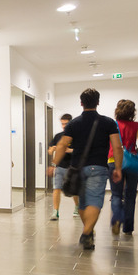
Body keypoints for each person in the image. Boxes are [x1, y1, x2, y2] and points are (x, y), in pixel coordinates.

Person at [49, 89, 123, 250]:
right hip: (99, 167)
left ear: (81, 103)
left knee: (83, 202)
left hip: (78, 168)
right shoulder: (109, 123)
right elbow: (117, 147)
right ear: (98, 102)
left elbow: (61, 145)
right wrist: (118, 168)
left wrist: (53, 164)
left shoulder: (74, 123)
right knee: (94, 201)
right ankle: (87, 233)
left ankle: (88, 232)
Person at [108, 99, 138, 235]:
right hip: (131, 163)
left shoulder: (113, 124)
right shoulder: (137, 126)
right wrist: (133, 150)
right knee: (130, 195)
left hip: (113, 160)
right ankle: (128, 228)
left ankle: (117, 219)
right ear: (132, 112)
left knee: (116, 194)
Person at [47, 113, 79, 220]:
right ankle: (55, 211)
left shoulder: (76, 136)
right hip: (60, 166)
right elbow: (50, 151)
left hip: (73, 167)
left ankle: (77, 206)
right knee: (56, 188)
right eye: (62, 124)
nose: (64, 126)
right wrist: (53, 149)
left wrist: (69, 150)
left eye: (66, 124)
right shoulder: (58, 136)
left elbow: (80, 151)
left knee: (74, 190)